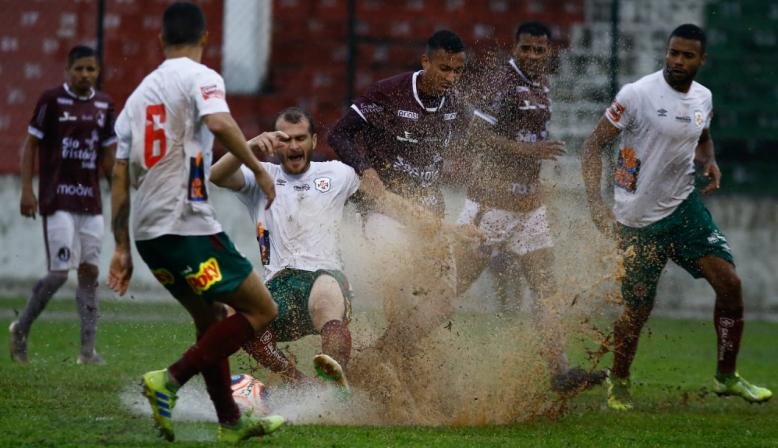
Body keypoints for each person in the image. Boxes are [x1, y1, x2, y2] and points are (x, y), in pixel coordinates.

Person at [107, 2, 284, 441]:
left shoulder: (136, 97)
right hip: (187, 225)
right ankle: (168, 380)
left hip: (150, 236)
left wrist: (122, 247)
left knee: (212, 320)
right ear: (206, 38)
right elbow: (220, 122)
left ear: (159, 40)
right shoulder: (201, 76)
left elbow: (118, 176)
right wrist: (259, 170)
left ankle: (230, 423)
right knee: (262, 309)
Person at [581, 23, 772, 410]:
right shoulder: (637, 95)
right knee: (636, 311)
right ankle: (618, 380)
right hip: (637, 221)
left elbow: (701, 134)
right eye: (673, 53)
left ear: (703, 60)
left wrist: (710, 160)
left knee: (730, 284)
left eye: (687, 55)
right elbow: (592, 147)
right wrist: (597, 206)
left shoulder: (704, 97)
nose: (677, 61)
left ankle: (726, 377)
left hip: (684, 209)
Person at [458, 21, 605, 392]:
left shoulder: (542, 85)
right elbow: (475, 136)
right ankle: (400, 343)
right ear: (516, 48)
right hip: (491, 206)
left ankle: (560, 371)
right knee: (453, 286)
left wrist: (537, 184)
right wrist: (529, 152)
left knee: (545, 287)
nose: (533, 55)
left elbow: (528, 140)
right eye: (527, 49)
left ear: (549, 52)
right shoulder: (503, 84)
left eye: (540, 50)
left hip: (528, 209)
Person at [327, 30, 476, 357]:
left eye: (458, 71)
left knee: (443, 305)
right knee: (402, 284)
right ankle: (390, 367)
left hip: (430, 217)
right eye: (444, 69)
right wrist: (365, 169)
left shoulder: (455, 105)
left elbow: (479, 146)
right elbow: (338, 135)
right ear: (425, 62)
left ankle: (385, 354)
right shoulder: (388, 93)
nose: (451, 78)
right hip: (385, 212)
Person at [210, 107, 358, 398]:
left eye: (300, 138)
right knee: (230, 315)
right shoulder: (261, 176)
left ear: (314, 141)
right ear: (274, 143)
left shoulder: (338, 174)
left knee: (325, 296)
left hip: (326, 278)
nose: (293, 146)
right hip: (279, 286)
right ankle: (297, 383)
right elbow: (215, 175)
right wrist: (249, 146)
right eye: (284, 139)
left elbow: (377, 189)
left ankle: (336, 389)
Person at [10, 45, 116, 365]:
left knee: (90, 272)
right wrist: (27, 189)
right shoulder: (51, 100)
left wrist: (119, 187)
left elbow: (108, 155)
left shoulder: (104, 105)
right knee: (58, 274)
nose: (85, 75)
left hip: (90, 201)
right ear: (67, 71)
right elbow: (31, 145)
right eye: (79, 69)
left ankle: (87, 351)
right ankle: (21, 328)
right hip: (57, 198)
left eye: (91, 70)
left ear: (98, 72)